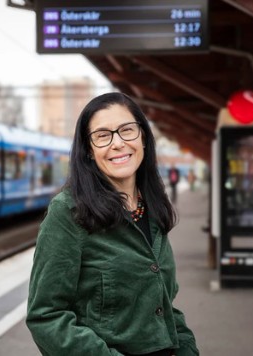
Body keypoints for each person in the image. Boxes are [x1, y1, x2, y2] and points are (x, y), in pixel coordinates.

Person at [26, 92, 199, 356]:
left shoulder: (152, 205)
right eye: (102, 135)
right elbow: (46, 316)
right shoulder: (68, 211)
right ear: (89, 150)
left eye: (127, 130)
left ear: (143, 138)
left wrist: (187, 348)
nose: (117, 143)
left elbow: (164, 303)